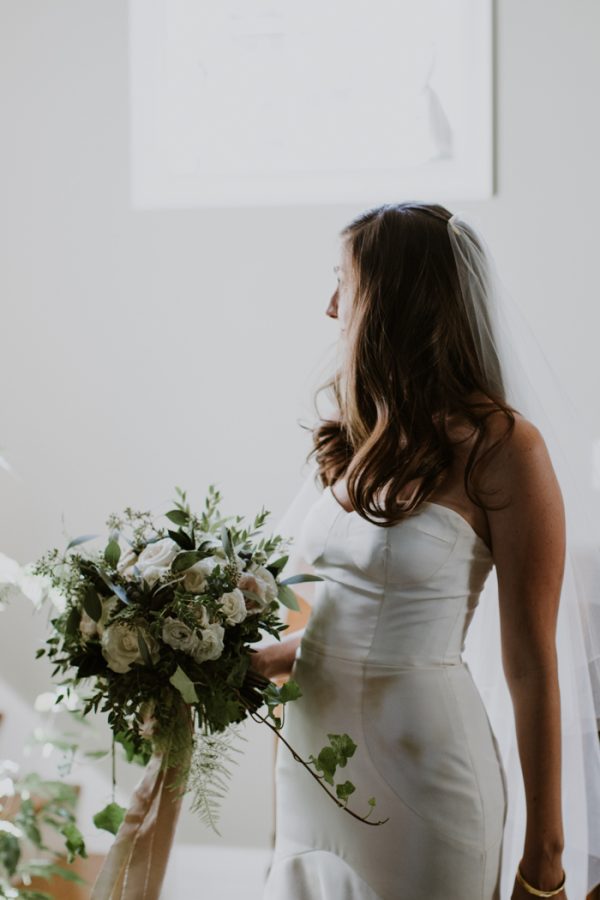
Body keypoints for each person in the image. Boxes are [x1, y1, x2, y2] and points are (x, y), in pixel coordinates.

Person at [251, 202, 593, 899]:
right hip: (312, 767)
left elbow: (531, 663)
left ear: (391, 297)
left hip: (426, 774)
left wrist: (547, 853)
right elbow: (343, 618)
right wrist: (244, 661)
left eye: (341, 283)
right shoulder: (359, 438)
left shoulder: (504, 448)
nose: (329, 307)